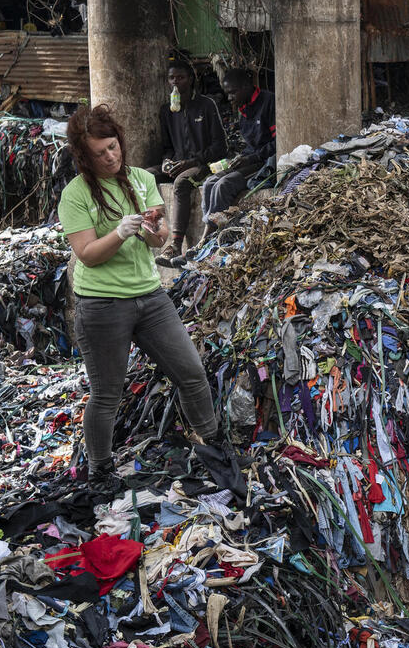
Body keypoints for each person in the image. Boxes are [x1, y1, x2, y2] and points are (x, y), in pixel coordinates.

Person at [60, 104, 232, 485]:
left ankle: (216, 445)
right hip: (102, 304)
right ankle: (100, 469)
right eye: (100, 153)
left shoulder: (140, 178)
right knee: (107, 393)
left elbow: (160, 238)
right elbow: (87, 254)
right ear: (84, 157)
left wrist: (153, 230)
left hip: (150, 296)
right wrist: (119, 233)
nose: (111, 157)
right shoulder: (76, 194)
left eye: (114, 147)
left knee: (191, 373)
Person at [156, 59, 226, 264]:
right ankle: (148, 235)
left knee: (181, 183)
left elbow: (220, 147)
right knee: (145, 175)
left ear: (191, 79)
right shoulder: (167, 110)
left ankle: (175, 244)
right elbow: (167, 146)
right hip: (178, 162)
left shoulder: (206, 105)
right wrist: (166, 161)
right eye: (172, 78)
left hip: (203, 165)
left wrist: (192, 162)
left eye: (180, 77)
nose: (176, 82)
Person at [200, 68, 276, 226]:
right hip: (250, 158)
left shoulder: (268, 102)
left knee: (223, 185)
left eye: (233, 92)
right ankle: (209, 227)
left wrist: (250, 158)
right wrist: (239, 158)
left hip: (265, 162)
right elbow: (250, 145)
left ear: (247, 86)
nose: (229, 98)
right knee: (209, 183)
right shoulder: (244, 108)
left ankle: (217, 230)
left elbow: (277, 143)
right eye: (227, 93)